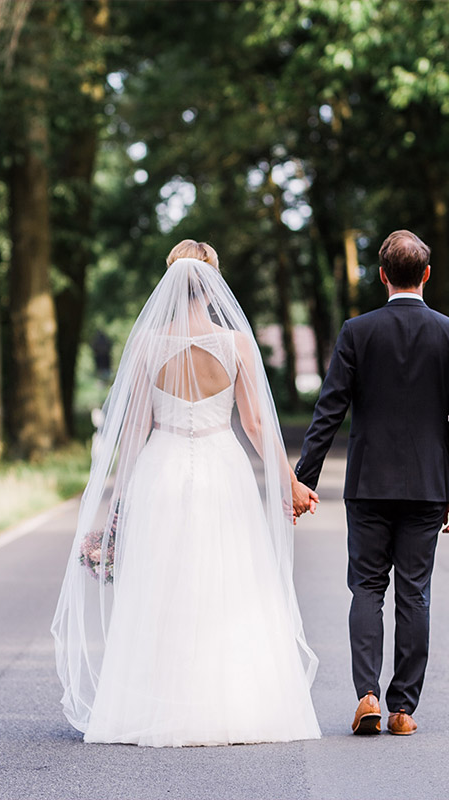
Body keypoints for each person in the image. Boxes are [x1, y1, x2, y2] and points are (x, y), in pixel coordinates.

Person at [52, 240, 321, 747]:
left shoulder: (149, 344)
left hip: (163, 467)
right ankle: (235, 704)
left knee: (163, 581)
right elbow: (258, 423)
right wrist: (291, 483)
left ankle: (152, 703)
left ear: (169, 280)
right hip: (224, 467)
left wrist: (113, 507)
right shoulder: (237, 343)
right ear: (213, 280)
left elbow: (132, 431)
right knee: (228, 579)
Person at [295, 229, 449, 736]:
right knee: (414, 594)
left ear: (381, 276)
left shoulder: (358, 331)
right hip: (427, 486)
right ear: (425, 275)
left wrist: (303, 478)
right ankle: (402, 710)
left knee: (366, 590)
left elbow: (330, 408)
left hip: (369, 483)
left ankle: (367, 696)